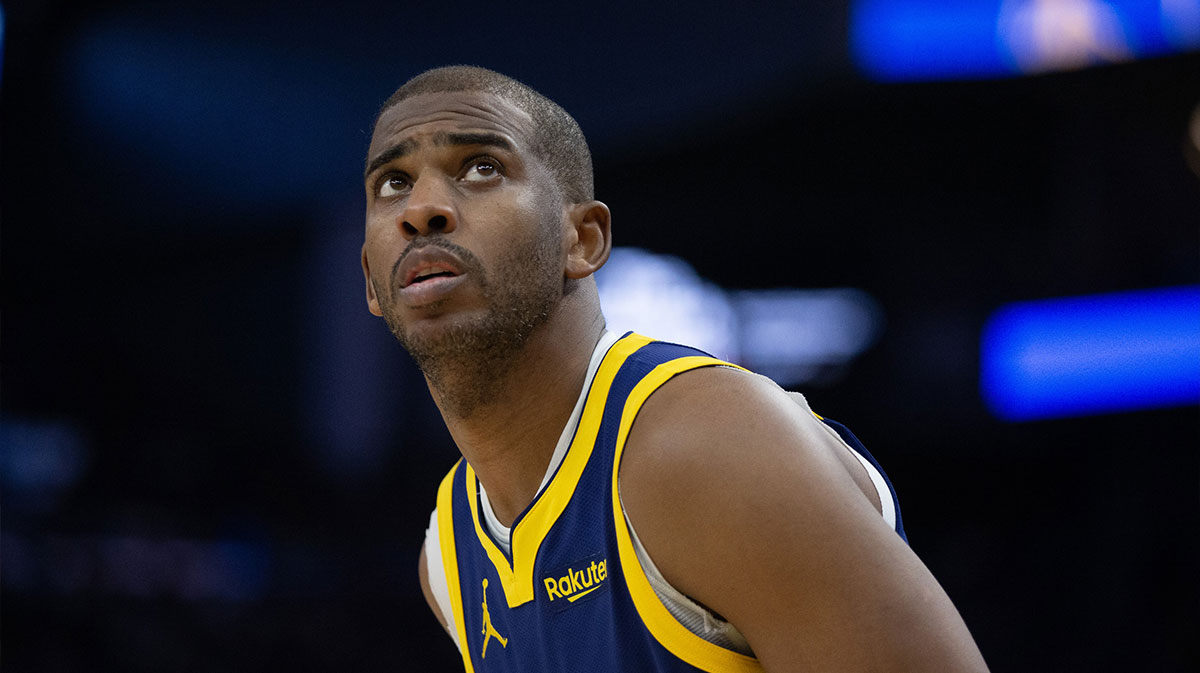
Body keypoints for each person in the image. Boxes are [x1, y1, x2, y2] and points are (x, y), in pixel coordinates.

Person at [361, 65, 989, 672]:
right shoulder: (448, 557)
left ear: (581, 241)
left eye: (481, 168)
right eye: (393, 182)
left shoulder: (705, 448)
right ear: (370, 278)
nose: (423, 210)